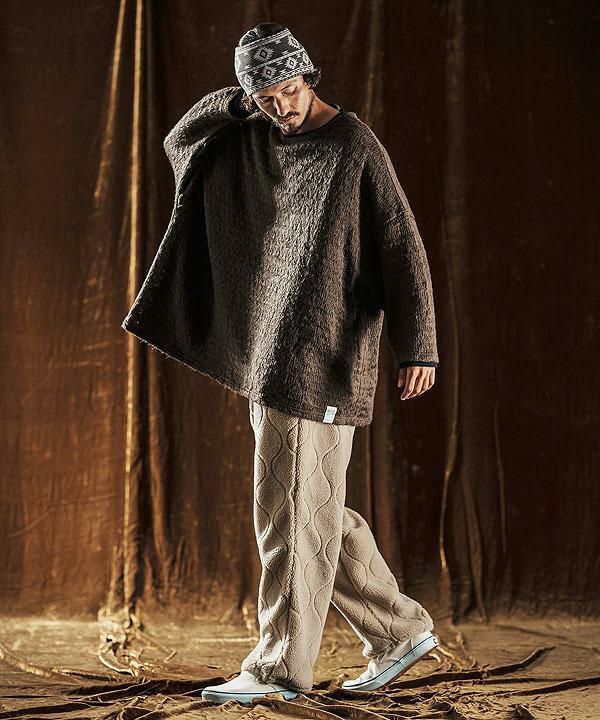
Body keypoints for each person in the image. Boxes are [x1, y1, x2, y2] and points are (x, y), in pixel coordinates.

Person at [122, 22, 440, 704]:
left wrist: (419, 345)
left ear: (309, 76)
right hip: (272, 356)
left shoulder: (352, 144)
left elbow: (401, 244)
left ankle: (278, 670)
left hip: (320, 358)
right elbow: (181, 141)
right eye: (265, 98)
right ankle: (398, 630)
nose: (282, 107)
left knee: (289, 515)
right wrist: (237, 103)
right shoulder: (256, 133)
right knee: (310, 507)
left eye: (289, 91)